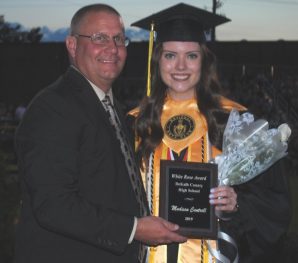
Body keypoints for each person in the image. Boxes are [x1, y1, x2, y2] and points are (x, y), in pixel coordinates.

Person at [14, 4, 187, 263]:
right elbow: (54, 204)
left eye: (119, 38)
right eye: (99, 38)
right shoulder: (54, 107)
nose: (113, 48)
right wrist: (135, 228)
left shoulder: (112, 108)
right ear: (72, 45)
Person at [128, 3, 291, 263]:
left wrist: (235, 206)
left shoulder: (235, 122)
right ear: (158, 60)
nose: (180, 65)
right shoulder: (135, 123)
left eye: (191, 55)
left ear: (204, 61)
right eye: (170, 55)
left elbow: (274, 203)